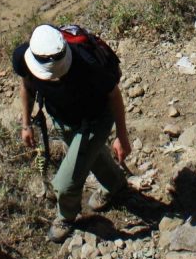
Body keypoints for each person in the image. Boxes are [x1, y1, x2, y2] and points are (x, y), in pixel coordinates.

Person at [13, 23, 132, 242]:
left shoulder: (88, 65)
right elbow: (27, 87)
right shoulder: (23, 57)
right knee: (91, 157)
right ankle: (115, 185)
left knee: (64, 183)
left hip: (95, 120)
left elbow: (114, 96)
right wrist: (26, 124)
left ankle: (65, 216)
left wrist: (121, 136)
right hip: (62, 119)